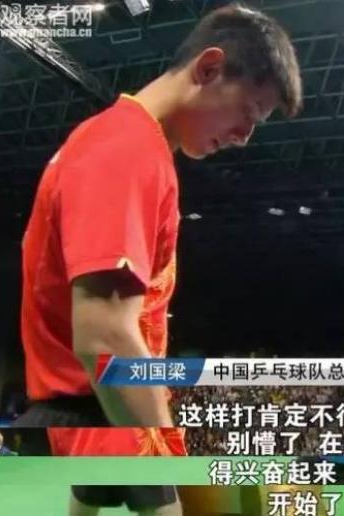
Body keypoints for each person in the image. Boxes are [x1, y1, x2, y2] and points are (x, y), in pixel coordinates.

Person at [15, 2, 302, 515]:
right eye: (247, 113)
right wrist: (167, 451)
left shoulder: (120, 142)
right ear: (209, 69)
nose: (244, 137)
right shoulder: (127, 151)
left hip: (94, 405)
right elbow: (105, 334)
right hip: (100, 406)